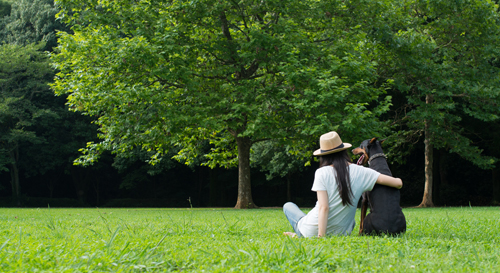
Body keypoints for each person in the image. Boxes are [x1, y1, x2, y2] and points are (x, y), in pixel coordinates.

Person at [283, 131, 403, 238]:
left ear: (323, 155)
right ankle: (300, 232)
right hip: (342, 232)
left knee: (288, 206)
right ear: (344, 151)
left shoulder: (321, 172)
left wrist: (321, 237)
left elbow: (324, 208)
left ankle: (299, 234)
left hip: (312, 231)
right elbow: (398, 183)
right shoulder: (361, 171)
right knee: (351, 221)